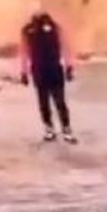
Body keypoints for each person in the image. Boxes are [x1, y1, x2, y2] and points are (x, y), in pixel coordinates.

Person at [18, 8, 77, 143]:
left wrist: (69, 67)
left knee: (59, 102)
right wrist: (23, 72)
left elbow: (64, 47)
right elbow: (24, 52)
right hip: (39, 71)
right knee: (44, 102)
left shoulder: (55, 28)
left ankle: (66, 129)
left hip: (54, 69)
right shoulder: (27, 31)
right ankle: (49, 128)